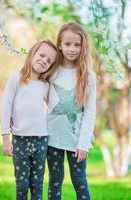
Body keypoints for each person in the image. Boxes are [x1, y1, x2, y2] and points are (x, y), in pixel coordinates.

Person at [1, 40, 57, 200]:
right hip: (20, 140)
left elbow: (54, 107)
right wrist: (6, 138)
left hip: (41, 139)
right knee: (22, 184)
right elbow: (6, 108)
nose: (44, 61)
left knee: (37, 183)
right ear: (33, 53)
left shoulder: (45, 85)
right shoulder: (16, 79)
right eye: (42, 55)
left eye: (49, 61)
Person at [47, 22, 96, 200]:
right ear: (59, 45)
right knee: (54, 181)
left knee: (80, 182)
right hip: (53, 138)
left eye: (77, 44)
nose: (72, 49)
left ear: (83, 46)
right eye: (67, 44)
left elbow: (90, 112)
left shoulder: (88, 76)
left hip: (77, 142)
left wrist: (83, 144)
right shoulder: (51, 71)